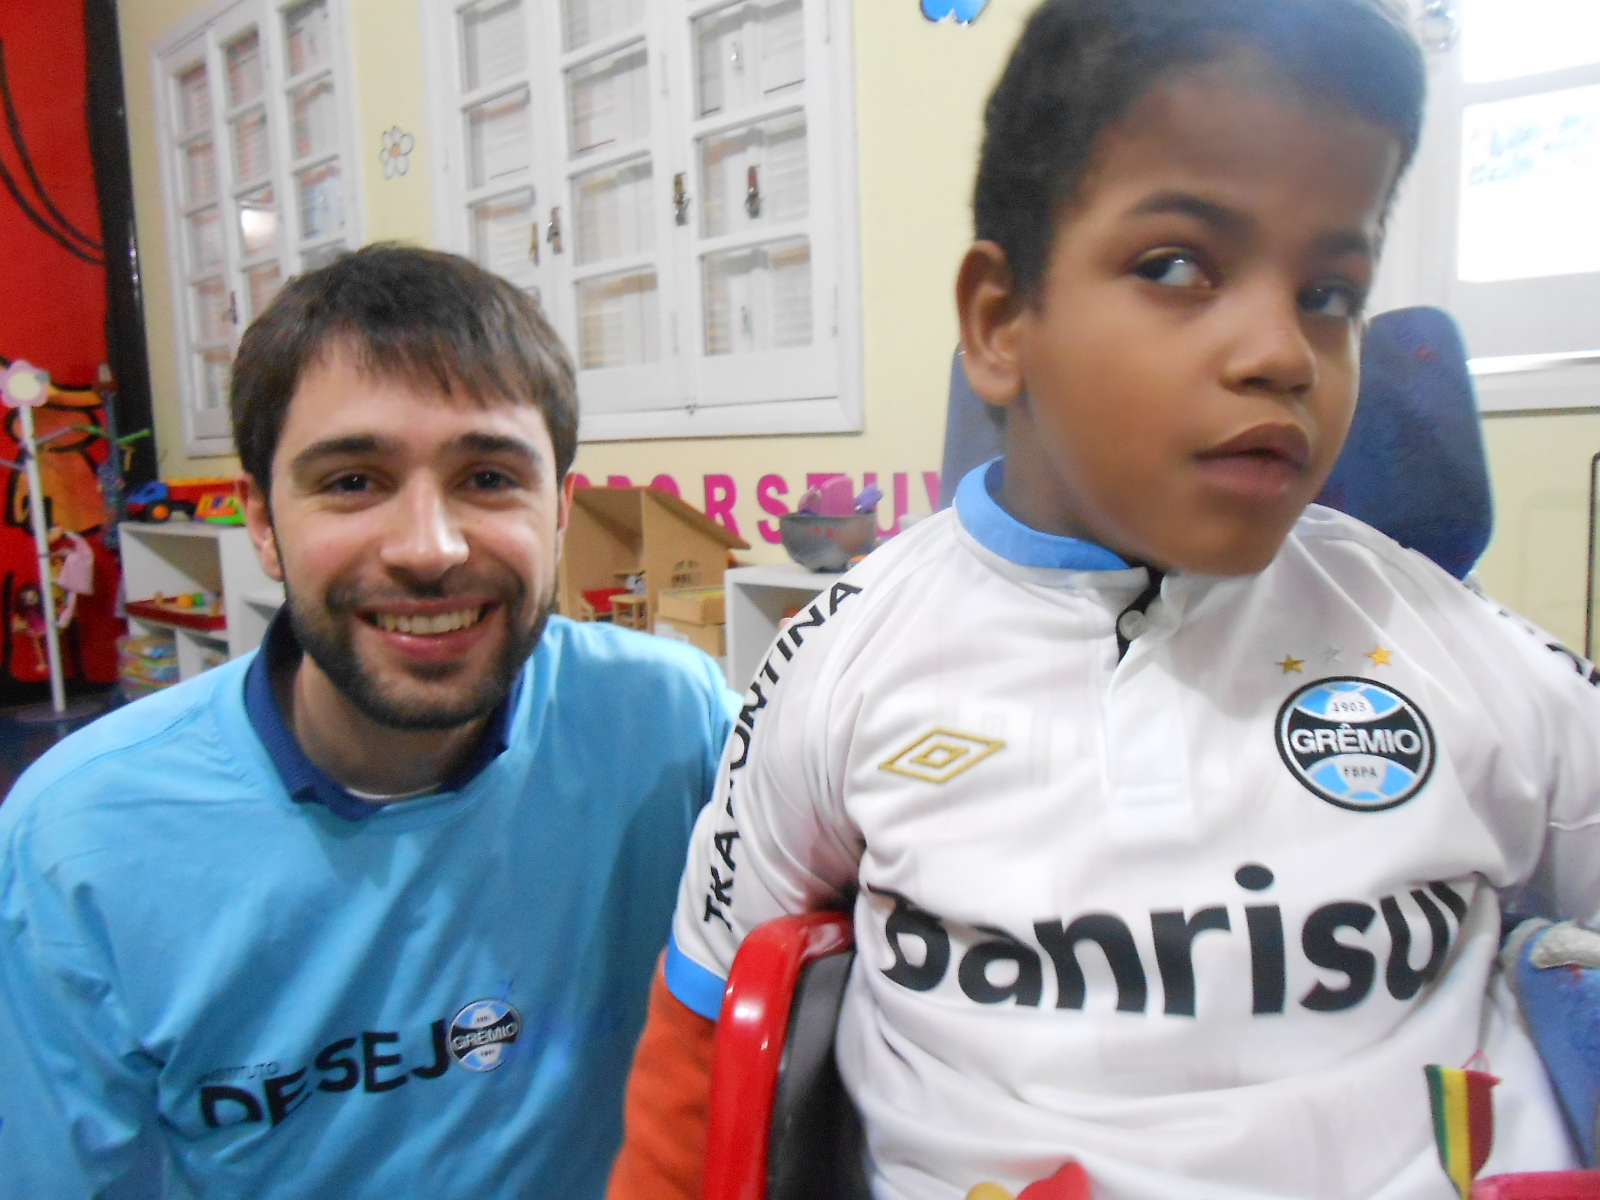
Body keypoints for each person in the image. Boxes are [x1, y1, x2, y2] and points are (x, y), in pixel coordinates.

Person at [607, 2, 1600, 1198]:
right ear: (998, 322)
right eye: (1178, 265)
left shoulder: (1451, 644)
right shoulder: (843, 653)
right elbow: (709, 1036)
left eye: (1329, 292)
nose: (1280, 350)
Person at [0, 245, 737, 1198]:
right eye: (352, 481)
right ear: (261, 519)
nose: (428, 551)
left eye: (487, 478)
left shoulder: (671, 725)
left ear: (560, 509)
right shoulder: (82, 840)